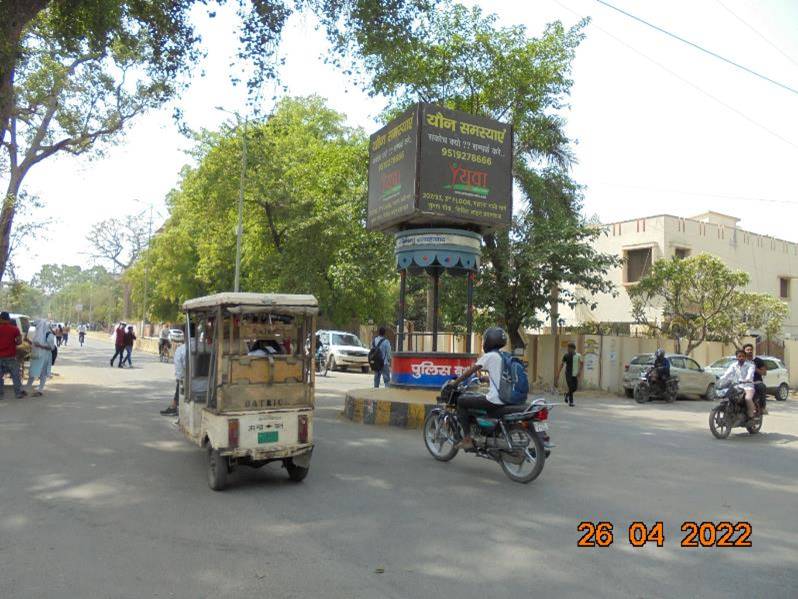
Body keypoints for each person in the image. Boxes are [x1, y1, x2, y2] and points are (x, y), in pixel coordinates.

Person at [446, 327, 509, 450]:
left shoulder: (489, 356)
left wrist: (455, 382)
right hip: (507, 397)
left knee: (461, 401)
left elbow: (469, 372)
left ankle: (467, 439)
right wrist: (486, 379)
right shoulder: (504, 356)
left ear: (489, 341)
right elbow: (503, 377)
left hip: (496, 399)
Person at [160, 324, 195, 416]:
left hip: (189, 383)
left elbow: (179, 371)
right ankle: (174, 405)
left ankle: (174, 406)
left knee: (180, 381)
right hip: (207, 384)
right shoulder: (207, 347)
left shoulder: (181, 349)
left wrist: (180, 379)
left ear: (185, 334)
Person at [718, 348, 757, 419]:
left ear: (745, 357)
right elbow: (727, 374)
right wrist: (720, 379)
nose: (741, 358)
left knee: (748, 399)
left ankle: (751, 415)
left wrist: (747, 379)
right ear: (736, 357)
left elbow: (750, 374)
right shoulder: (733, 365)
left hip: (748, 387)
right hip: (737, 386)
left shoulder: (750, 365)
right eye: (739, 356)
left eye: (743, 356)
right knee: (727, 397)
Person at [0, 311, 26, 399]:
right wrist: (13, 342)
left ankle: (0, 395)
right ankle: (18, 393)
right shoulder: (15, 329)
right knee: (15, 375)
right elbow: (19, 342)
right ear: (8, 319)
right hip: (11, 356)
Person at [27, 318, 56, 396]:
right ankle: (26, 389)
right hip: (36, 356)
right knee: (32, 372)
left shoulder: (49, 335)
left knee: (43, 373)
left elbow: (51, 347)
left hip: (45, 357)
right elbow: (35, 344)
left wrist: (40, 346)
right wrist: (30, 342)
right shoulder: (37, 334)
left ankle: (40, 390)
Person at [743, 343, 768, 414]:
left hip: (756, 382)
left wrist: (755, 369)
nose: (749, 351)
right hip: (744, 382)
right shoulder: (742, 361)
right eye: (748, 350)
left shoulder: (758, 361)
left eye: (751, 350)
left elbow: (764, 373)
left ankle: (762, 407)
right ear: (744, 351)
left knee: (762, 387)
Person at [557, 342, 582, 407]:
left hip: (575, 374)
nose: (567, 349)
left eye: (569, 348)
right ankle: (571, 402)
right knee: (570, 387)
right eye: (567, 348)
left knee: (575, 388)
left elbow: (581, 363)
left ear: (573, 349)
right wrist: (558, 373)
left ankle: (567, 394)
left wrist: (579, 371)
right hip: (568, 374)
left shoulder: (578, 355)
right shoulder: (566, 355)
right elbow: (562, 364)